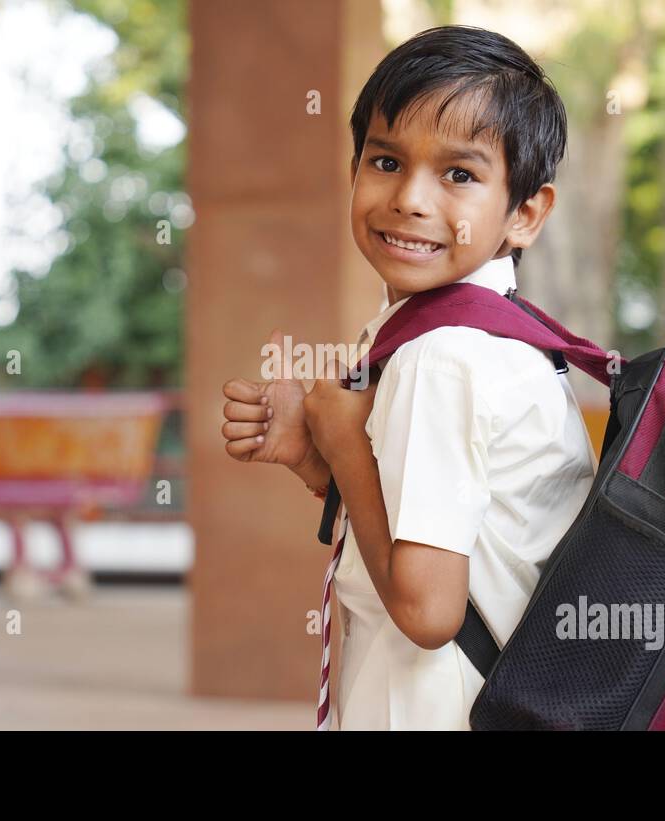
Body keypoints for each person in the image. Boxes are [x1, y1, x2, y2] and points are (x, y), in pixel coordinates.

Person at [220, 25, 596, 730]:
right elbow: (428, 518)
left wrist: (346, 444)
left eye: (459, 174)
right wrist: (315, 455)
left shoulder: (443, 357)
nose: (411, 199)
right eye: (386, 161)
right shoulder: (489, 333)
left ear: (525, 212)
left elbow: (428, 610)